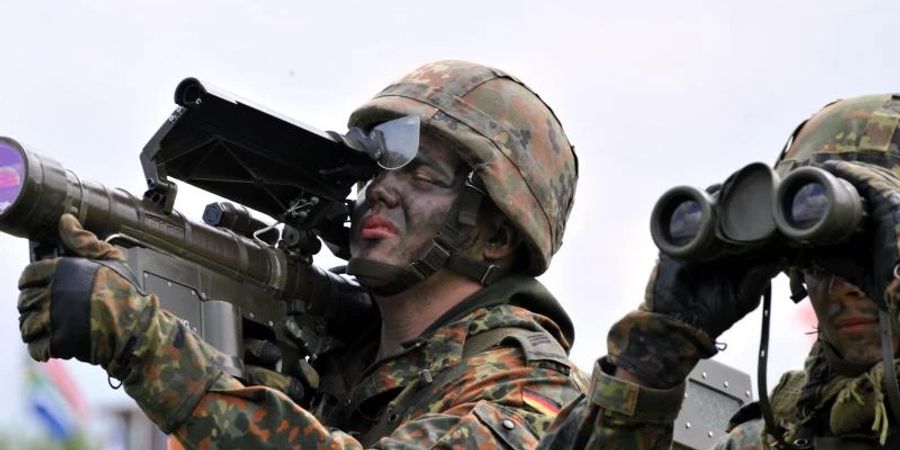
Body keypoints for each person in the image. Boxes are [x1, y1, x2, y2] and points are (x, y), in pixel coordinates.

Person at [17, 60, 593, 449]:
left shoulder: (532, 387)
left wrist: (153, 353)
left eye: (423, 175)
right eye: (375, 169)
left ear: (495, 236)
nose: (381, 190)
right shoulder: (342, 361)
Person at [537, 93, 900, 450]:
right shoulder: (769, 437)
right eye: (826, 257)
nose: (847, 288)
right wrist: (649, 360)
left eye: (874, 252)